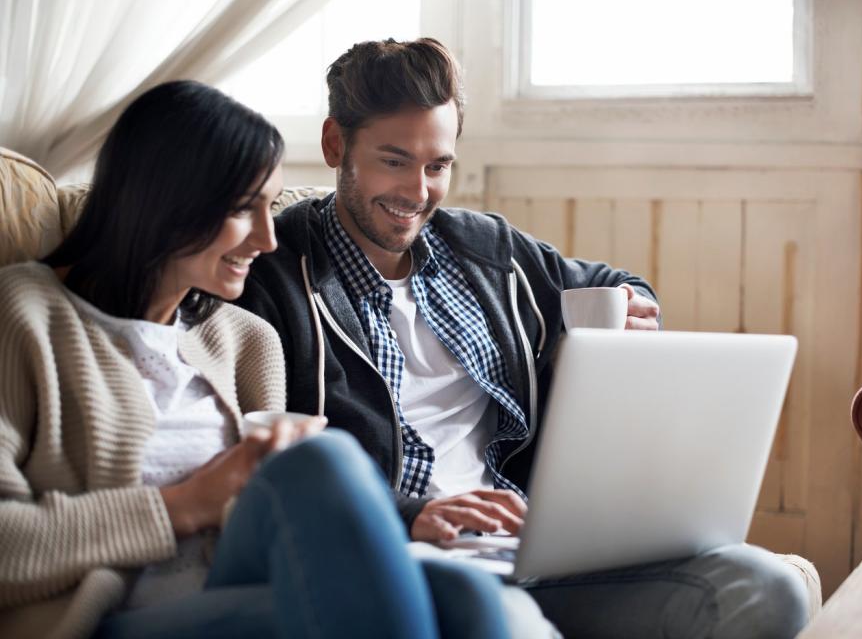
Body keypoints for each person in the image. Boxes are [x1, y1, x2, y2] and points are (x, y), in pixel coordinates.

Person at [235, 37, 813, 638]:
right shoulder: (274, 275)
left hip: (530, 549)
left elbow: (611, 283)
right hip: (404, 560)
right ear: (336, 144)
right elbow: (271, 468)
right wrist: (410, 515)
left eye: (438, 166)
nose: (417, 191)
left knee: (764, 585)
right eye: (394, 160)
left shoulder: (487, 252)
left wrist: (637, 311)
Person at [0, 80, 511, 639]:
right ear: (167, 200)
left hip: (232, 582)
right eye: (246, 211)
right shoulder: (24, 317)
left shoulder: (244, 340)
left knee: (467, 595)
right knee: (328, 488)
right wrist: (184, 504)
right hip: (107, 614)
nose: (268, 240)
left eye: (270, 208)